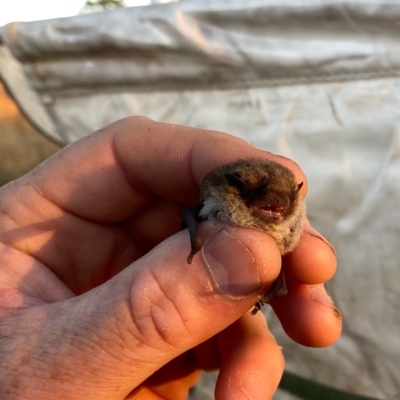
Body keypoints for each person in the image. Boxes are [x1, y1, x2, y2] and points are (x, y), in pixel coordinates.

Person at [0, 117, 341, 400]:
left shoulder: (289, 215)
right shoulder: (222, 192)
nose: (275, 207)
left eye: (284, 202)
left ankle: (266, 286)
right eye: (263, 198)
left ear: (295, 200)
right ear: (237, 189)